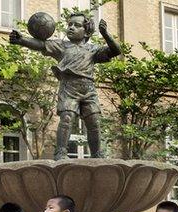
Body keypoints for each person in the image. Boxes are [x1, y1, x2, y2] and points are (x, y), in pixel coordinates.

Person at [9, 13, 121, 160]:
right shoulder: (61, 46)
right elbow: (41, 44)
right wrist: (21, 40)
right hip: (69, 87)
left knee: (94, 122)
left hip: (89, 89)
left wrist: (105, 34)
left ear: (87, 32)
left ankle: (97, 155)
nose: (71, 27)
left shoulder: (93, 50)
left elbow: (116, 51)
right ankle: (61, 153)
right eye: (70, 25)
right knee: (67, 118)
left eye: (77, 25)